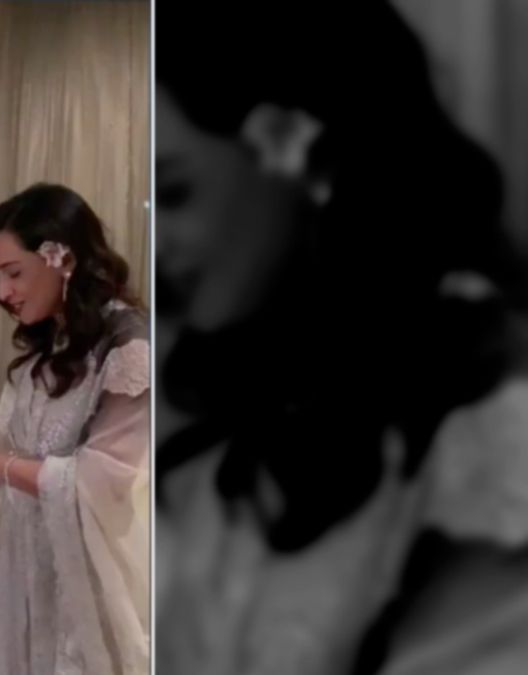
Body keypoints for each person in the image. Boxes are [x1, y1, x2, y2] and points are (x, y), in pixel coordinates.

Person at [155, 2, 528, 673]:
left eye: (174, 193)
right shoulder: (226, 404)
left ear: (304, 157)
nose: (150, 246)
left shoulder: (488, 430)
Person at [0, 183, 151, 675]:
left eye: (13, 272)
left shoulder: (128, 348)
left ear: (64, 259)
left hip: (83, 576)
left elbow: (94, 482)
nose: (3, 293)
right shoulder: (54, 340)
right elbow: (35, 450)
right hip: (26, 563)